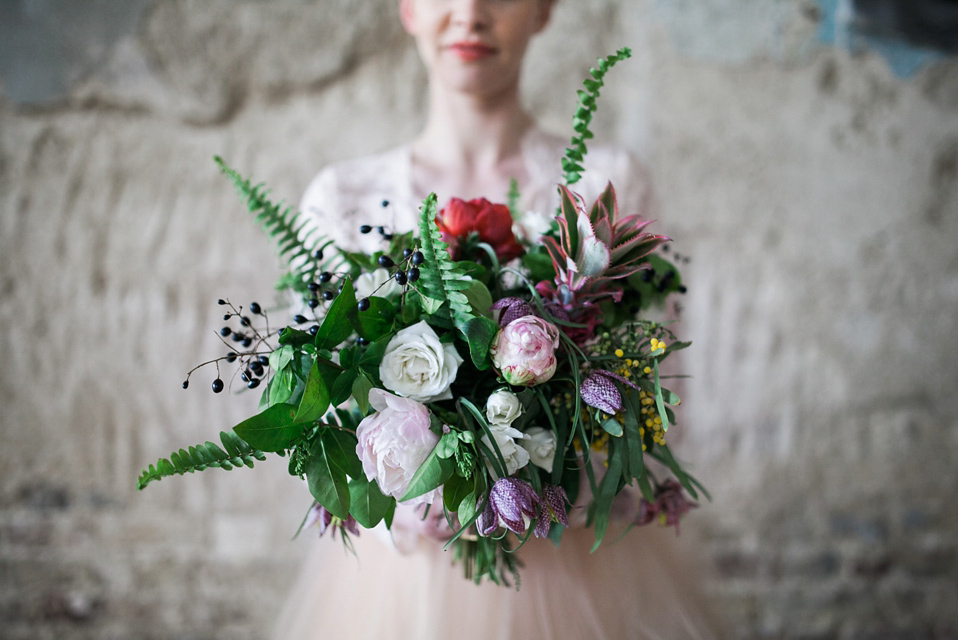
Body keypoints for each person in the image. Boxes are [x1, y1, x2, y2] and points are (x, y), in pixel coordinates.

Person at [274, 1, 722, 638]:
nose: (470, 14)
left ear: (542, 10)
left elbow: (657, 395)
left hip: (572, 571)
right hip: (398, 588)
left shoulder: (604, 188)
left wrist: (551, 481)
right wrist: (410, 502)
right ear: (407, 8)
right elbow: (315, 413)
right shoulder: (343, 201)